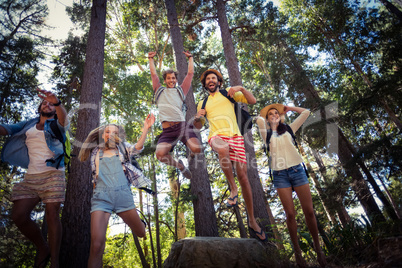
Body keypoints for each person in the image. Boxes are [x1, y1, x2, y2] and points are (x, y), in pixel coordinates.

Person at [194, 69, 267, 242]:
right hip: (216, 136)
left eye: (214, 78)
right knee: (222, 148)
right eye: (208, 79)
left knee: (244, 177)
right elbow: (198, 126)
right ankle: (233, 189)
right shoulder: (202, 103)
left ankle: (251, 220)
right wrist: (198, 117)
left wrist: (240, 87)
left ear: (219, 82)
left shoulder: (229, 94)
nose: (211, 80)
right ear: (205, 84)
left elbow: (252, 100)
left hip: (236, 137)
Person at [0, 89, 69, 268]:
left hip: (53, 173)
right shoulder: (29, 124)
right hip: (31, 177)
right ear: (39, 108)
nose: (48, 105)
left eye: (51, 104)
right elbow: (6, 129)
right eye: (45, 103)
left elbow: (65, 122)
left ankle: (55, 261)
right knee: (18, 216)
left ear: (54, 109)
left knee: (52, 214)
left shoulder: (56, 124)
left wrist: (58, 103)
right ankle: (42, 247)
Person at [78, 114, 155, 268]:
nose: (111, 135)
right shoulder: (95, 152)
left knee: (141, 233)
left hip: (122, 196)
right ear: (102, 135)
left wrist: (145, 129)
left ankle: (141, 224)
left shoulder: (123, 149)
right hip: (101, 198)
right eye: (107, 132)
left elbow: (137, 148)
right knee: (96, 246)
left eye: (114, 132)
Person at [257, 103, 327, 267]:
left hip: (297, 171)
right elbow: (259, 119)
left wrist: (288, 109)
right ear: (268, 119)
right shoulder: (265, 133)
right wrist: (269, 120)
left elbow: (307, 112)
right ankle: (297, 253)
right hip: (280, 175)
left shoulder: (289, 128)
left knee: (309, 212)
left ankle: (318, 249)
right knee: (290, 214)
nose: (274, 115)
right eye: (271, 114)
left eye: (276, 113)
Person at [148, 51, 201, 179]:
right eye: (169, 78)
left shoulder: (180, 90)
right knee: (160, 154)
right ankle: (181, 167)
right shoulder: (159, 91)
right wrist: (150, 59)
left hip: (182, 127)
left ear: (176, 79)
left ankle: (191, 152)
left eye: (173, 78)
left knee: (197, 149)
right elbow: (154, 75)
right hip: (167, 131)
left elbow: (190, 74)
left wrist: (190, 58)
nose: (171, 80)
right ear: (165, 80)